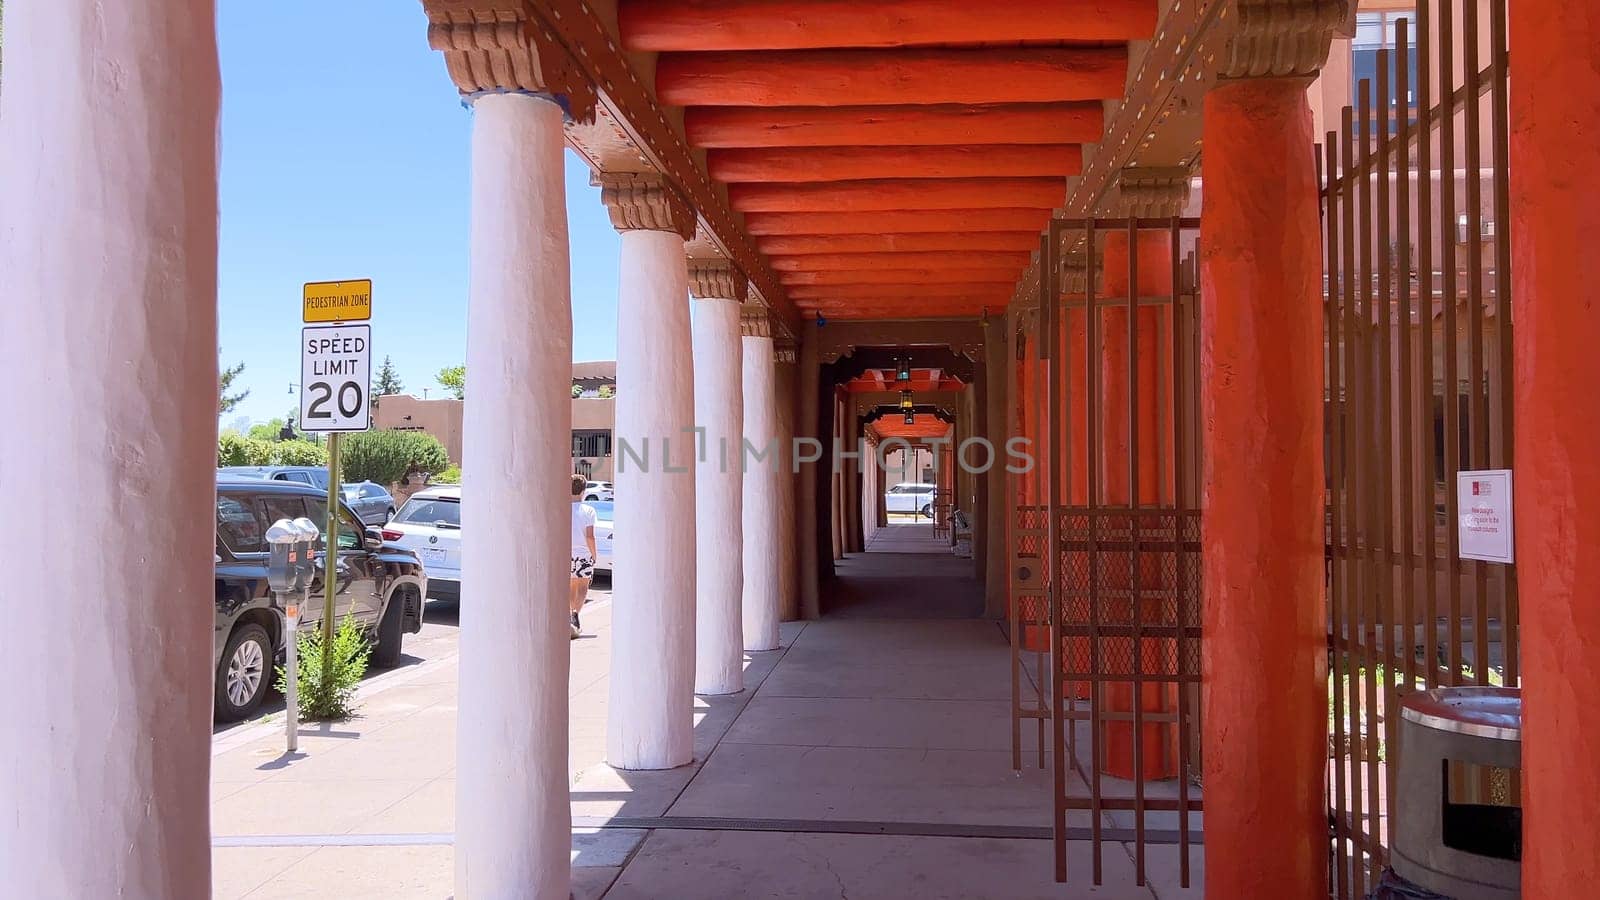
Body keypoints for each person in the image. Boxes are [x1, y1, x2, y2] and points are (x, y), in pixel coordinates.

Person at [570, 473, 597, 638]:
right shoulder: (589, 510)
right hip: (583, 554)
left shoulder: (563, 508)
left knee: (570, 586)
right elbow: (590, 536)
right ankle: (575, 615)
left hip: (567, 552)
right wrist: (594, 555)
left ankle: (569, 614)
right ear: (583, 491)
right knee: (582, 587)